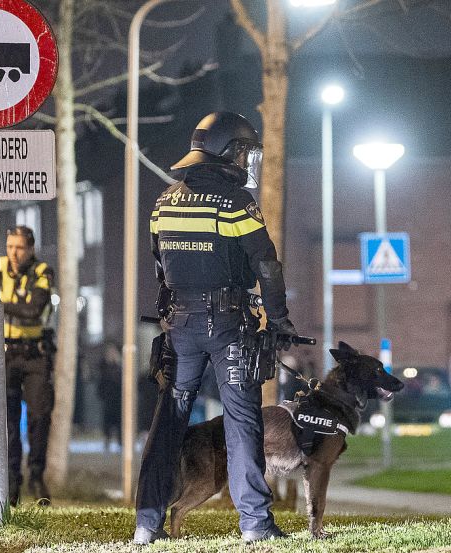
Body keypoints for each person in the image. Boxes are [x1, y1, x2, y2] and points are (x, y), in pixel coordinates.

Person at [133, 112, 297, 545]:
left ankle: (145, 523)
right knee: (242, 424)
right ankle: (255, 524)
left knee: (168, 421)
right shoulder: (236, 203)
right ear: (228, 152)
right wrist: (279, 320)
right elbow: (266, 265)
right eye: (244, 151)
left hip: (179, 327)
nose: (247, 160)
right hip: (227, 327)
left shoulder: (164, 202)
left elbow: (159, 267)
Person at [0, 225, 55, 506]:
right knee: (8, 421)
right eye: (10, 246)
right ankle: (12, 480)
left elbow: (33, 310)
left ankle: (36, 473)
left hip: (35, 353)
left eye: (20, 247)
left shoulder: (42, 271)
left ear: (31, 249)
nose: (14, 252)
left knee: (39, 417)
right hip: (6, 353)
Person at [96, 341, 122, 450]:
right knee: (108, 420)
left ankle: (120, 440)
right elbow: (102, 380)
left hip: (118, 397)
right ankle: (107, 439)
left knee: (119, 420)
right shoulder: (104, 366)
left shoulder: (119, 366)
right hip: (109, 398)